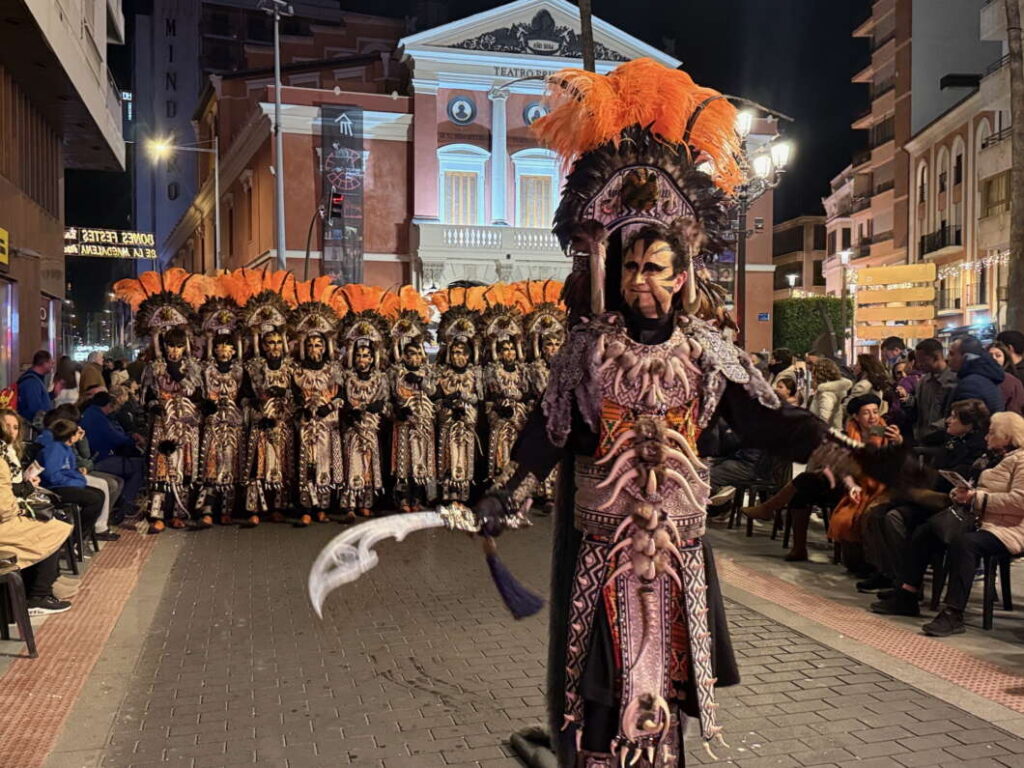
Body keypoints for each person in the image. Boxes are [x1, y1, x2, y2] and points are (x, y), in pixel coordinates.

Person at [467, 59, 858, 764]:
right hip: (602, 551)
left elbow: (771, 418)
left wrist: (838, 447)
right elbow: (547, 433)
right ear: (614, 274)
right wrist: (506, 495)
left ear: (682, 276)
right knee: (598, 687)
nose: (641, 279)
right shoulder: (586, 352)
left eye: (655, 267)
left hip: (677, 550)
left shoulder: (710, 354)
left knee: (668, 686)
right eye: (630, 267)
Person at [872, 411, 1024, 636]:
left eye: (992, 433)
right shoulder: (993, 457)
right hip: (980, 519)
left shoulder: (1021, 461)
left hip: (1008, 528)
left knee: (966, 544)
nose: (986, 437)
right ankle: (908, 594)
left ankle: (954, 613)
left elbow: (1019, 501)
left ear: (1007, 436)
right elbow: (982, 488)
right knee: (928, 530)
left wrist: (976, 498)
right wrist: (961, 492)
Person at [859, 399, 990, 594]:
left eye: (954, 417)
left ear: (969, 424)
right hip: (929, 495)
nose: (948, 420)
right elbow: (924, 447)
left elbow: (953, 479)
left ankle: (905, 581)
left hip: (947, 503)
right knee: (875, 514)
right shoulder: (950, 439)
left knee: (893, 517)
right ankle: (889, 572)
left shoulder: (977, 449)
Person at [0, 409, 74, 615]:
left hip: (9, 514)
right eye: (7, 426)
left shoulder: (7, 452)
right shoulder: (1, 457)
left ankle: (44, 586)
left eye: (15, 427)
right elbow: (4, 507)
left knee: (50, 521)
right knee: (54, 528)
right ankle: (38, 595)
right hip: (4, 523)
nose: (12, 432)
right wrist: (21, 508)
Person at [826, 394, 902, 573]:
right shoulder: (850, 436)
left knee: (869, 515)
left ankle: (876, 565)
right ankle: (858, 562)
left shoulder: (889, 433)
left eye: (875, 412)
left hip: (885, 487)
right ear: (856, 417)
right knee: (844, 517)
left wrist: (898, 442)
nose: (873, 417)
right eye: (866, 413)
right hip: (861, 486)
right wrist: (851, 485)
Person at [239, 291, 296, 526]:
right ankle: (254, 509)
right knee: (257, 465)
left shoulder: (290, 367)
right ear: (263, 345)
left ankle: (277, 507)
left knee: (281, 465)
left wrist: (286, 395)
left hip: (282, 423)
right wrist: (252, 402)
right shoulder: (253, 366)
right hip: (260, 422)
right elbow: (242, 394)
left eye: (276, 343)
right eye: (269, 343)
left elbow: (298, 394)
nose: (273, 347)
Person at [290, 305, 343, 525]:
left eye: (318, 344)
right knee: (306, 465)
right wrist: (301, 407)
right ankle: (306, 508)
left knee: (325, 464)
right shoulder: (297, 371)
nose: (314, 349)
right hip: (306, 426)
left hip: (328, 425)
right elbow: (292, 397)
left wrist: (328, 407)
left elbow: (342, 398)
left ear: (324, 347)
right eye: (310, 345)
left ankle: (323, 507)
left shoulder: (333, 370)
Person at [195, 301, 246, 528]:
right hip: (213, 424)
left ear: (234, 350)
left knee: (232, 466)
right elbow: (199, 393)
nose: (224, 350)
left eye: (228, 347)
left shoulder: (239, 370)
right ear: (214, 349)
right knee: (211, 466)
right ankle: (207, 509)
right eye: (220, 347)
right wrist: (206, 405)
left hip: (233, 424)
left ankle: (227, 509)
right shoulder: (206, 370)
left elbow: (245, 395)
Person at [337, 312, 390, 520]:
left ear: (372, 357)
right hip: (352, 428)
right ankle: (349, 504)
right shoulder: (347, 377)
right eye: (359, 356)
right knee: (353, 463)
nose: (362, 359)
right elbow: (342, 399)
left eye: (366, 356)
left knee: (369, 462)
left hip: (371, 427)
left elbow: (384, 403)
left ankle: (366, 502)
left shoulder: (380, 378)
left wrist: (375, 408)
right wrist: (351, 412)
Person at [390, 310, 437, 514]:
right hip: (403, 424)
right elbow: (389, 398)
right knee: (403, 462)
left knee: (421, 461)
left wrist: (420, 380)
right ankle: (402, 499)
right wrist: (397, 411)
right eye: (412, 354)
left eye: (419, 353)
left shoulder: (427, 372)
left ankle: (418, 497)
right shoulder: (395, 372)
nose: (417, 357)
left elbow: (434, 391)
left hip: (424, 422)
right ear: (405, 356)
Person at [36, 418, 103, 545]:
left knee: (100, 494)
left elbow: (69, 470)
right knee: (94, 499)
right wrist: (75, 481)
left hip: (66, 484)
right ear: (71, 436)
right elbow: (52, 475)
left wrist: (77, 478)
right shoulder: (54, 449)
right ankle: (75, 538)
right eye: (77, 433)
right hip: (54, 489)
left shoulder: (67, 449)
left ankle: (81, 536)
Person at [79, 392, 144, 519]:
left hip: (96, 457)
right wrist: (132, 439)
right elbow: (115, 438)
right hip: (99, 460)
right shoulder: (98, 418)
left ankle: (123, 503)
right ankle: (126, 504)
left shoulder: (90, 413)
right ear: (108, 405)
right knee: (139, 467)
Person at [902, 338, 957, 445]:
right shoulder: (923, 381)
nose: (918, 364)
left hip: (944, 440)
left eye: (922, 360)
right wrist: (908, 401)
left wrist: (936, 428)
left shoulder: (954, 381)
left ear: (936, 357)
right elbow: (918, 409)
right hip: (922, 438)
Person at [948, 335, 1004, 416]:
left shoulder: (970, 385)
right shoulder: (986, 375)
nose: (947, 358)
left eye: (951, 354)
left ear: (966, 357)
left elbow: (964, 422)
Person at [807, 358, 851, 429]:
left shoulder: (826, 393)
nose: (812, 375)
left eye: (814, 372)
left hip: (825, 435)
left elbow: (823, 419)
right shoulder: (835, 389)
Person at [16, 350, 54, 424]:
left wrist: (53, 394)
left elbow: (40, 400)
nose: (52, 366)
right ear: (45, 364)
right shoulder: (32, 382)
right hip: (33, 428)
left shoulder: (36, 380)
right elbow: (35, 409)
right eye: (50, 363)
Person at [986, 341, 1024, 413]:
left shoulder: (1013, 381)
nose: (994, 358)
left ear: (1005, 359)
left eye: (998, 355)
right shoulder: (980, 378)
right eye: (990, 356)